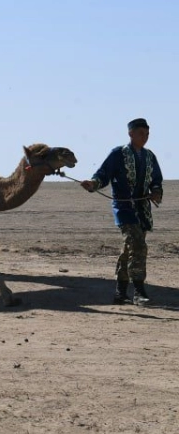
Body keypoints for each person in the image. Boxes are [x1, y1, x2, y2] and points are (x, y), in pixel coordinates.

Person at [81, 118, 164, 305]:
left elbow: (156, 180)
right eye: (141, 133)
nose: (145, 137)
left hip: (142, 209)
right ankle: (139, 291)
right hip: (124, 208)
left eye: (147, 134)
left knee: (129, 248)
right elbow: (103, 174)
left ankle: (120, 292)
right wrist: (93, 184)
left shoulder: (150, 156)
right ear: (131, 133)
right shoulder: (118, 154)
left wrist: (156, 192)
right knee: (138, 246)